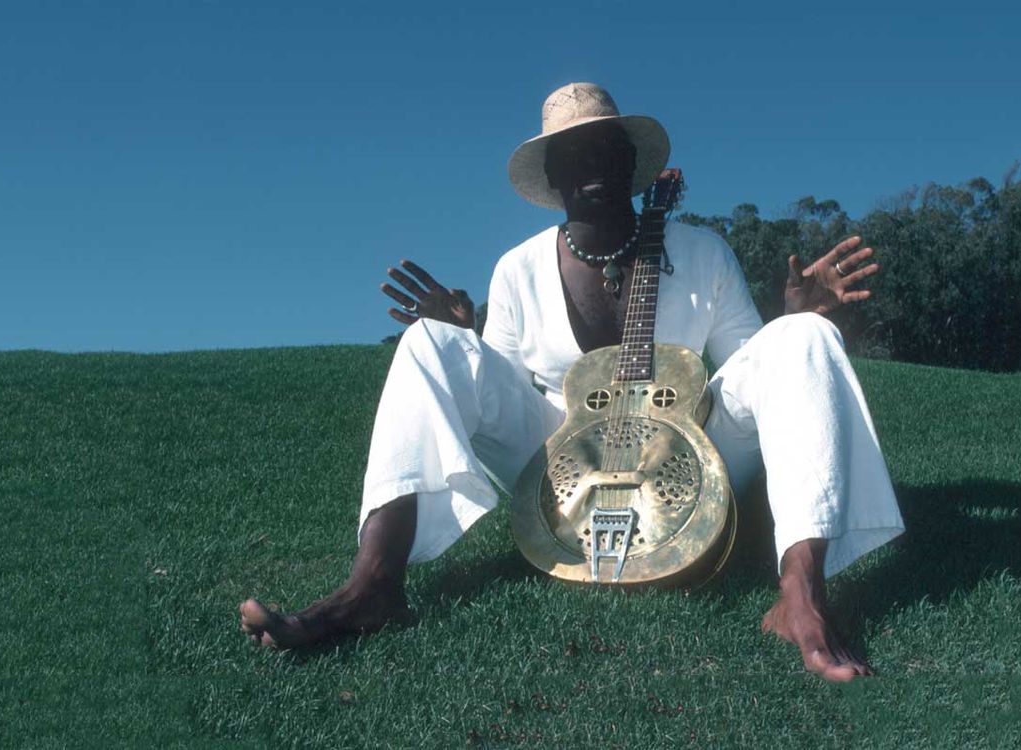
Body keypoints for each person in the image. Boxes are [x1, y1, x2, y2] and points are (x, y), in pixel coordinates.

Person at [240, 82, 904, 682]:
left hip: (695, 445)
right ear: (552, 177)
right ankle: (373, 585)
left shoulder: (703, 252)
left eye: (606, 151)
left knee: (806, 338)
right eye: (573, 156)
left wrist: (792, 319)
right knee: (426, 343)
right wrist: (460, 342)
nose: (593, 167)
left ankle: (800, 593)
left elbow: (748, 375)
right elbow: (500, 387)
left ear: (633, 168)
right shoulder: (517, 270)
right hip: (565, 455)